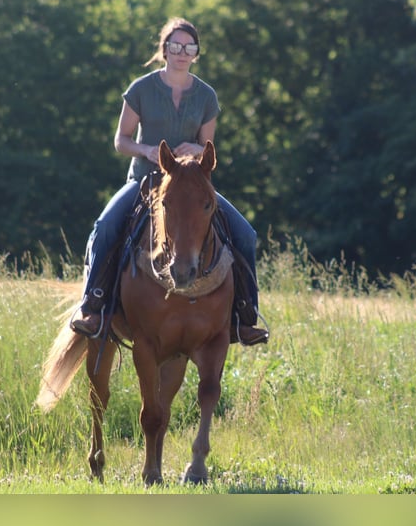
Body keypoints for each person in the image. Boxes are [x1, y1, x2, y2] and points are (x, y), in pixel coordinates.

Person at [70, 17, 268, 346]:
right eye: (175, 46)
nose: (182, 52)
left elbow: (208, 151)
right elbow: (121, 140)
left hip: (191, 186)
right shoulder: (140, 89)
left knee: (245, 234)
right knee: (105, 226)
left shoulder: (206, 95)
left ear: (196, 53)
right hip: (145, 180)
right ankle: (92, 305)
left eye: (189, 47)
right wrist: (146, 149)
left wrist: (196, 148)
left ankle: (246, 317)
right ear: (164, 49)